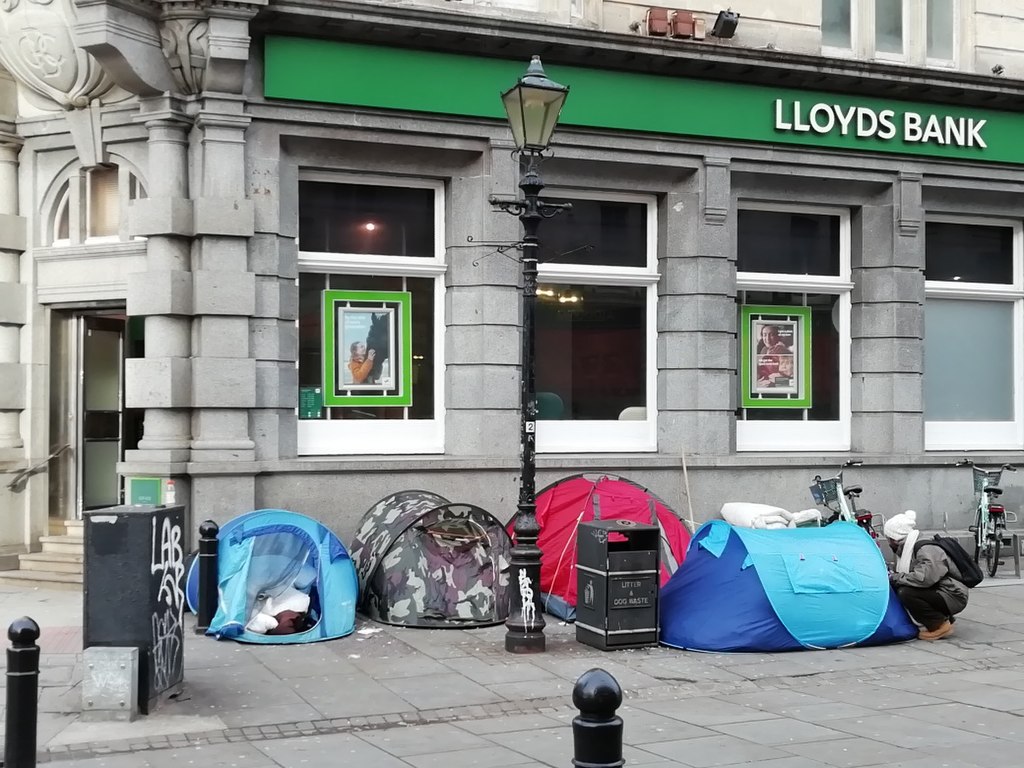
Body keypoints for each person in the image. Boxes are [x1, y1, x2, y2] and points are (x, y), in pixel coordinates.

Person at [884, 510, 968, 641]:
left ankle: (939, 625)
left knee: (906, 592)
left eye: (888, 538)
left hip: (954, 594)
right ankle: (943, 618)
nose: (888, 543)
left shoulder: (925, 548)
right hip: (944, 590)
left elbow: (925, 578)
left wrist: (895, 577)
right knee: (902, 586)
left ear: (895, 539)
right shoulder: (909, 547)